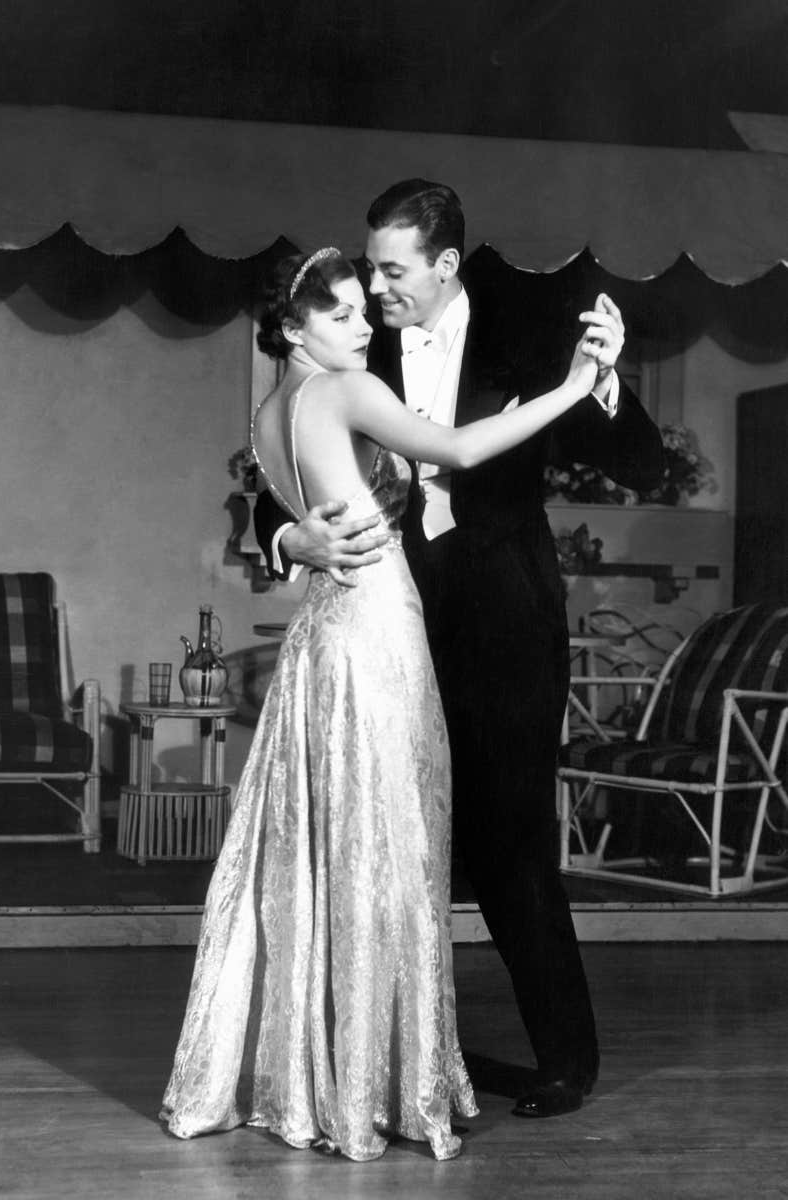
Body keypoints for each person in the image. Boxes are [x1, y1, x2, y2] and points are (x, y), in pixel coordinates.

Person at [161, 246, 616, 1161]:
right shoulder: (348, 389)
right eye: (341, 313)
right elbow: (460, 449)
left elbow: (294, 489)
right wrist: (575, 385)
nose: (365, 321)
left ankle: (332, 1072)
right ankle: (375, 1085)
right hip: (378, 629)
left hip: (325, 639)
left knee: (335, 852)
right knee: (385, 850)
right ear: (293, 327)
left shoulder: (267, 413)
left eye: (365, 307)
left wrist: (294, 533)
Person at [254, 181, 665, 1120]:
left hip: (508, 624)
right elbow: (269, 482)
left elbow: (644, 465)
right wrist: (290, 538)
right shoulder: (351, 344)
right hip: (389, 626)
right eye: (369, 270)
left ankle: (565, 1060)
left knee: (513, 840)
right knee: (392, 844)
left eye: (393, 271)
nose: (376, 289)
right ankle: (401, 1059)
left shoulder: (529, 331)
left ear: (445, 264)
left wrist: (600, 380)